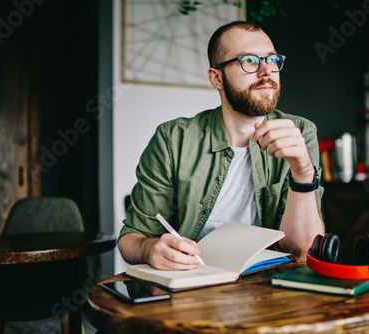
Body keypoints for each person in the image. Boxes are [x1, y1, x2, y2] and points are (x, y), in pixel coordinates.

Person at [118, 21, 324, 270]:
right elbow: (129, 240)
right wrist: (151, 249)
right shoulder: (173, 138)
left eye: (271, 60)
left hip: (269, 289)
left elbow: (301, 251)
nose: (265, 71)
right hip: (193, 289)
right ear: (216, 78)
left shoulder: (300, 133)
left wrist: (302, 174)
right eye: (249, 60)